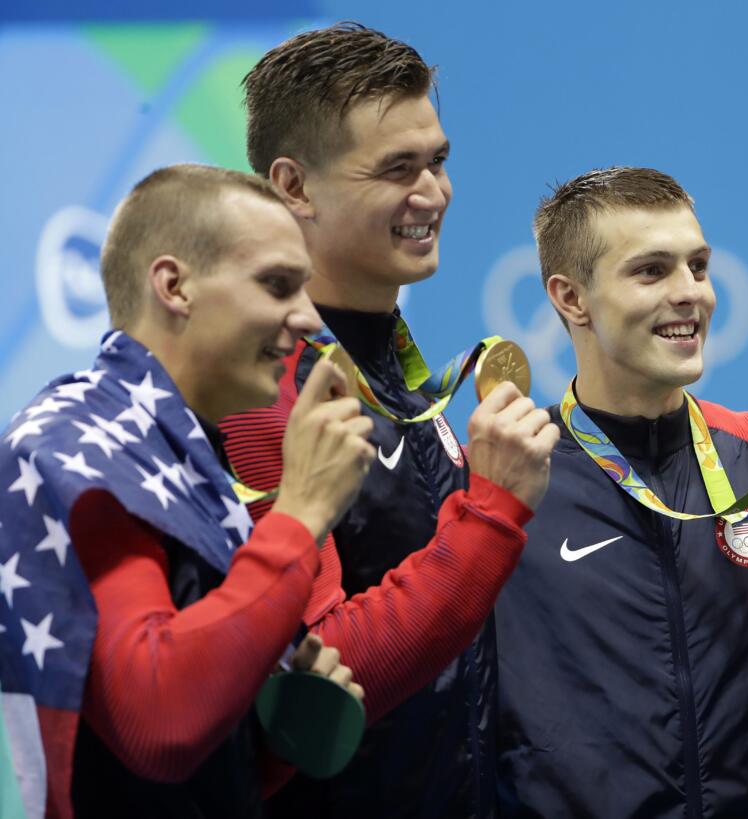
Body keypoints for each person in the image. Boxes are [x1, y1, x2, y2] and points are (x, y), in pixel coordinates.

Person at [218, 22, 558, 818]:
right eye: (397, 169)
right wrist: (494, 511)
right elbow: (317, 682)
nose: (433, 192)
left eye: (438, 160)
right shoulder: (263, 398)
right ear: (293, 186)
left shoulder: (397, 382)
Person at [494, 167, 748, 818]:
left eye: (699, 266)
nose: (692, 295)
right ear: (571, 298)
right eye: (651, 271)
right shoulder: (509, 478)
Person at [0, 164, 371, 819]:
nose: (309, 317)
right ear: (174, 285)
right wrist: (302, 512)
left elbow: (189, 762)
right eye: (277, 285)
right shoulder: (76, 443)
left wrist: (273, 726)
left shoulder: (181, 453)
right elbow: (161, 724)